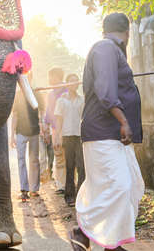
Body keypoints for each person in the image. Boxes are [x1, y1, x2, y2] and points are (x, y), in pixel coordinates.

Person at [69, 13, 145, 251]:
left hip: (114, 137)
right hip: (102, 132)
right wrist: (123, 120)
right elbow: (105, 90)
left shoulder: (112, 51)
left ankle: (111, 242)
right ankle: (81, 232)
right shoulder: (105, 48)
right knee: (118, 186)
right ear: (127, 32)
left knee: (132, 185)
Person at [11, 72, 44, 201]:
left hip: (34, 132)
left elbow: (42, 113)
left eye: (28, 76)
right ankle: (24, 189)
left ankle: (34, 189)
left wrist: (44, 129)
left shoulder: (37, 94)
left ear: (31, 78)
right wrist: (12, 136)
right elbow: (15, 115)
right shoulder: (18, 95)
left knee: (34, 160)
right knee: (21, 160)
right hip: (20, 132)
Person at [54, 73, 85, 207]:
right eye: (71, 81)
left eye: (76, 81)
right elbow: (58, 120)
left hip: (80, 136)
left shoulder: (82, 100)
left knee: (82, 167)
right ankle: (69, 196)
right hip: (67, 136)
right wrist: (57, 137)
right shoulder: (61, 100)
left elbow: (85, 118)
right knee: (69, 166)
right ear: (67, 84)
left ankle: (81, 196)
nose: (74, 83)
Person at [43, 67, 67, 194]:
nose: (50, 79)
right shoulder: (50, 93)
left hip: (66, 128)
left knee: (68, 155)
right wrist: (46, 127)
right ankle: (61, 185)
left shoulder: (67, 91)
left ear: (58, 77)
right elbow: (48, 111)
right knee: (58, 156)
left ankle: (69, 183)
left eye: (51, 76)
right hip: (54, 129)